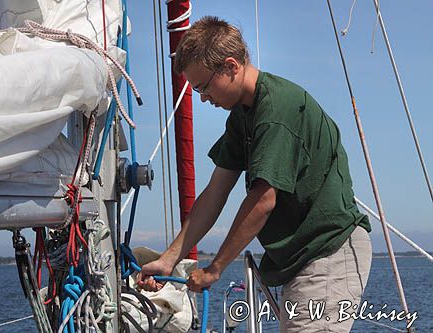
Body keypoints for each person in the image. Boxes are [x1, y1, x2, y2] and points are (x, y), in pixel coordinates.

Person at [137, 16, 372, 332]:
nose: (204, 98)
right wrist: (169, 258)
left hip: (328, 254)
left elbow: (262, 201)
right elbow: (215, 192)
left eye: (204, 87)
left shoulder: (275, 113)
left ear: (231, 67)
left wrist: (216, 268)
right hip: (301, 260)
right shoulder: (243, 115)